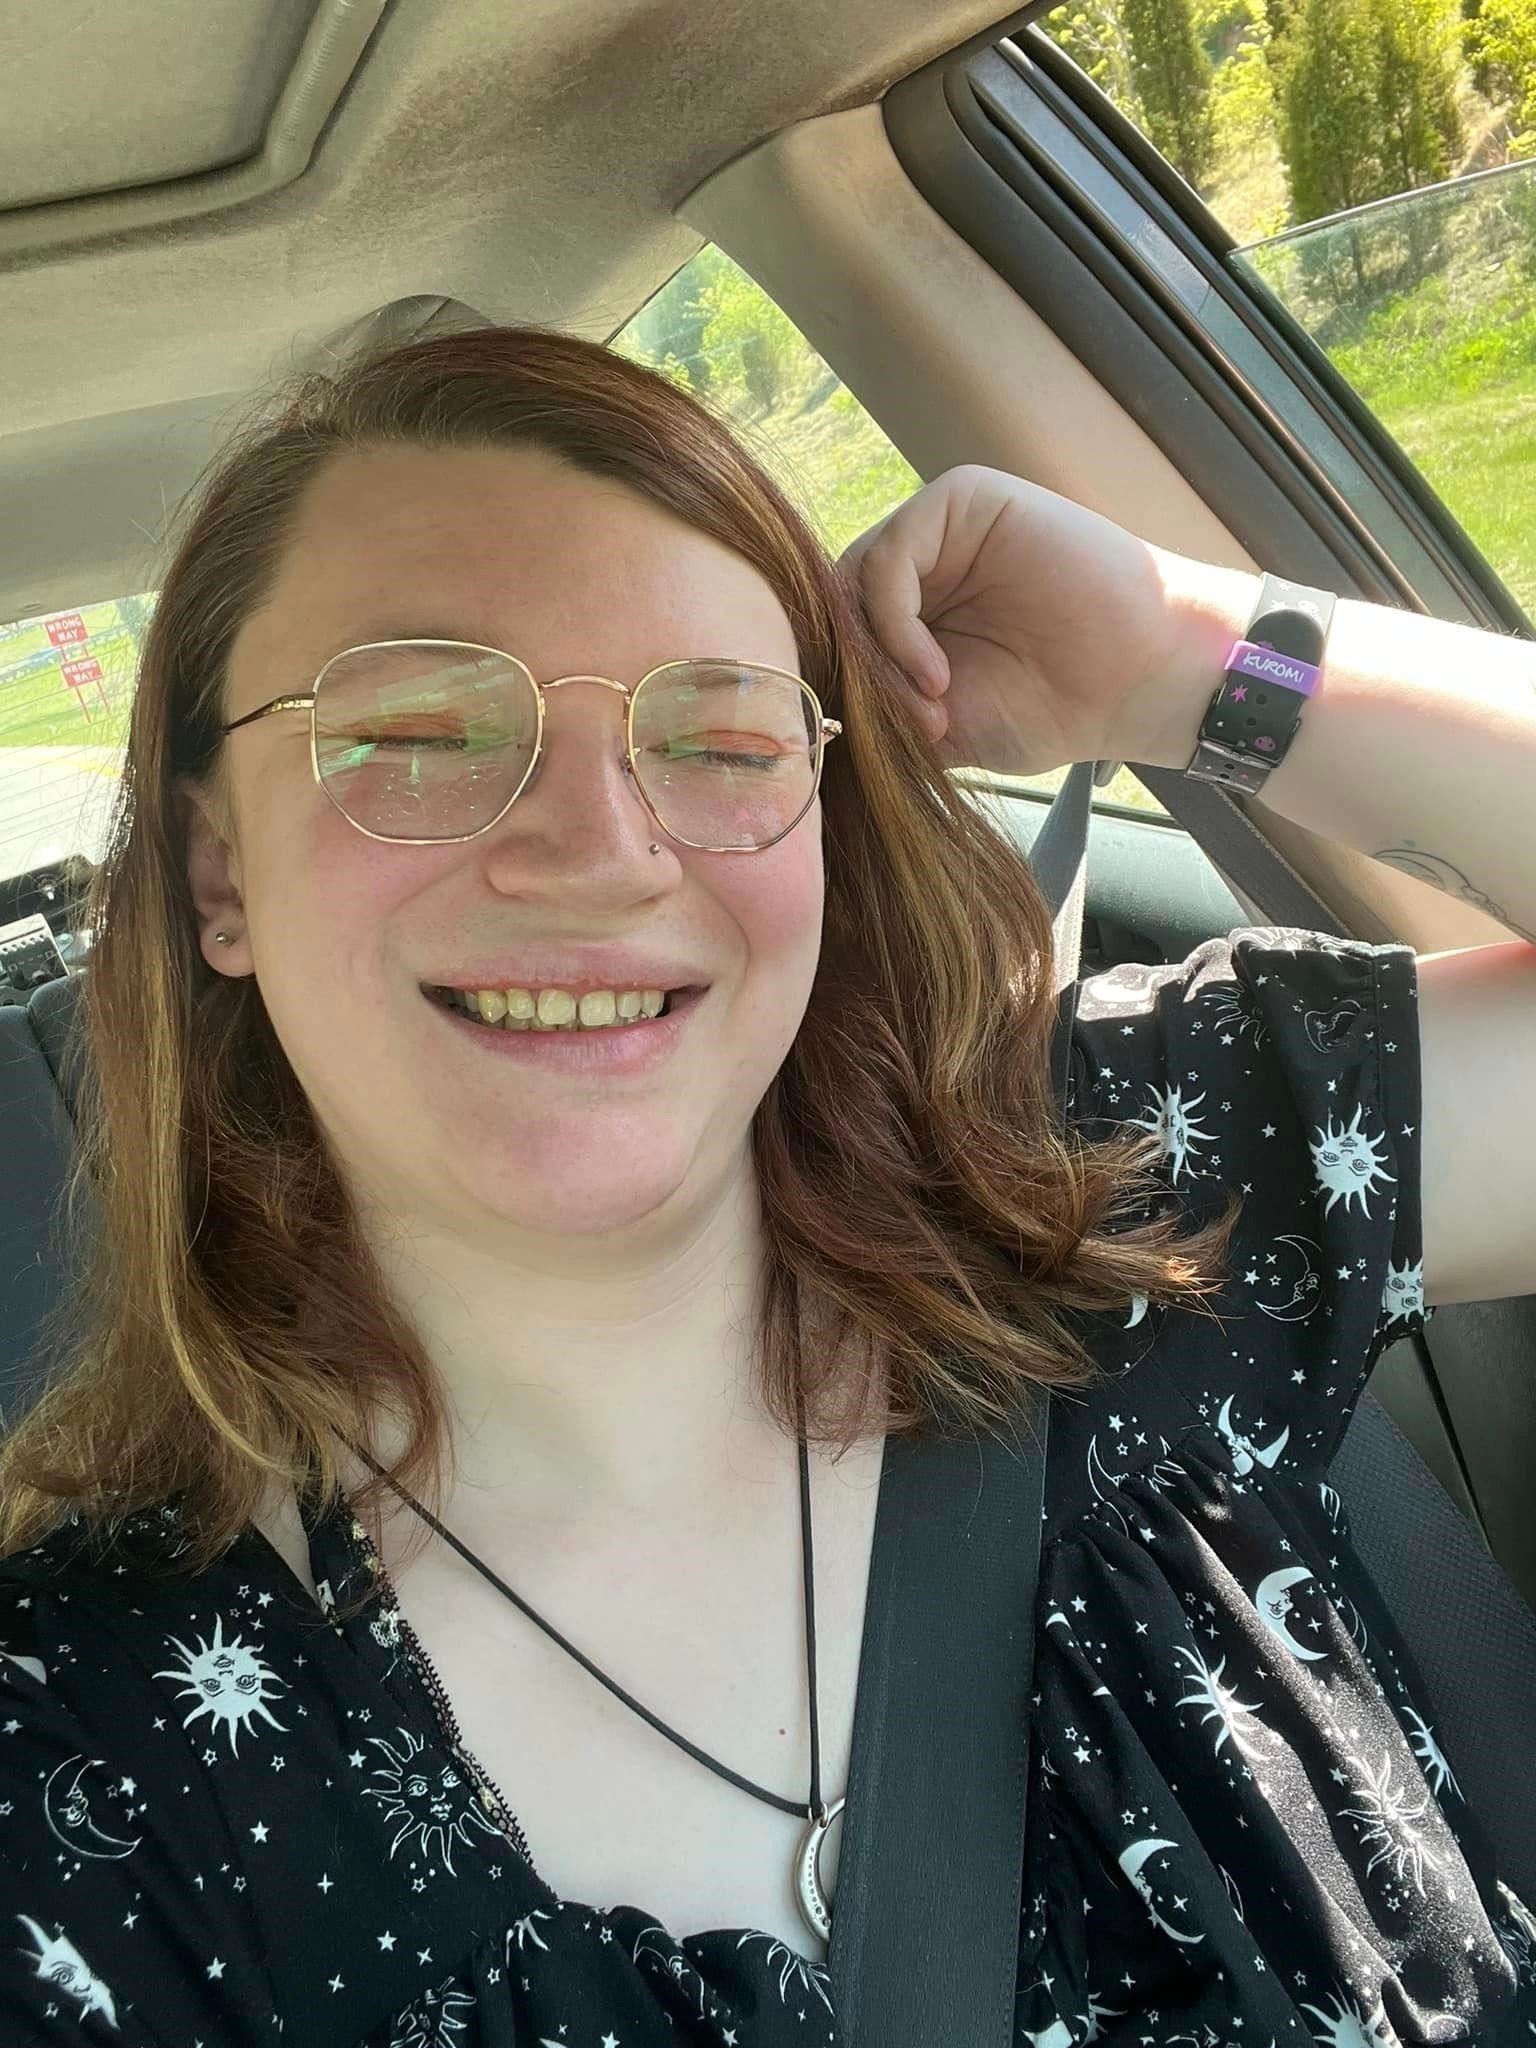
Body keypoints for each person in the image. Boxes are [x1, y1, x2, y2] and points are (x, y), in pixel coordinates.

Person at [0, 328, 1532, 2048]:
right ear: (218, 874)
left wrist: (1182, 659)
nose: (600, 851)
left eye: (721, 740)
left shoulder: (1120, 1177)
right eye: (421, 730)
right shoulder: (85, 1784)